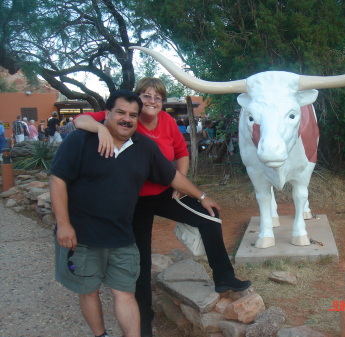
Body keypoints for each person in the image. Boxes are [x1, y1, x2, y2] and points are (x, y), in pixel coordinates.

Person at [74, 78, 251, 337]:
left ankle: (223, 276)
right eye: (146, 96)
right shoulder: (128, 116)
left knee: (209, 215)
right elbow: (80, 121)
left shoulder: (167, 121)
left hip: (164, 191)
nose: (152, 101)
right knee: (140, 262)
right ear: (137, 100)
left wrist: (183, 180)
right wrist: (101, 129)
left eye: (157, 97)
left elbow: (182, 151)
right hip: (133, 200)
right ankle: (144, 323)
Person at [51, 90, 220, 337]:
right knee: (88, 290)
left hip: (122, 236)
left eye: (132, 115)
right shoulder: (80, 141)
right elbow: (58, 180)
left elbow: (173, 177)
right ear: (107, 113)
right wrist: (64, 225)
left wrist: (202, 197)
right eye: (120, 112)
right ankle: (101, 335)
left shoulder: (145, 148)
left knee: (125, 292)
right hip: (82, 236)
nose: (126, 119)